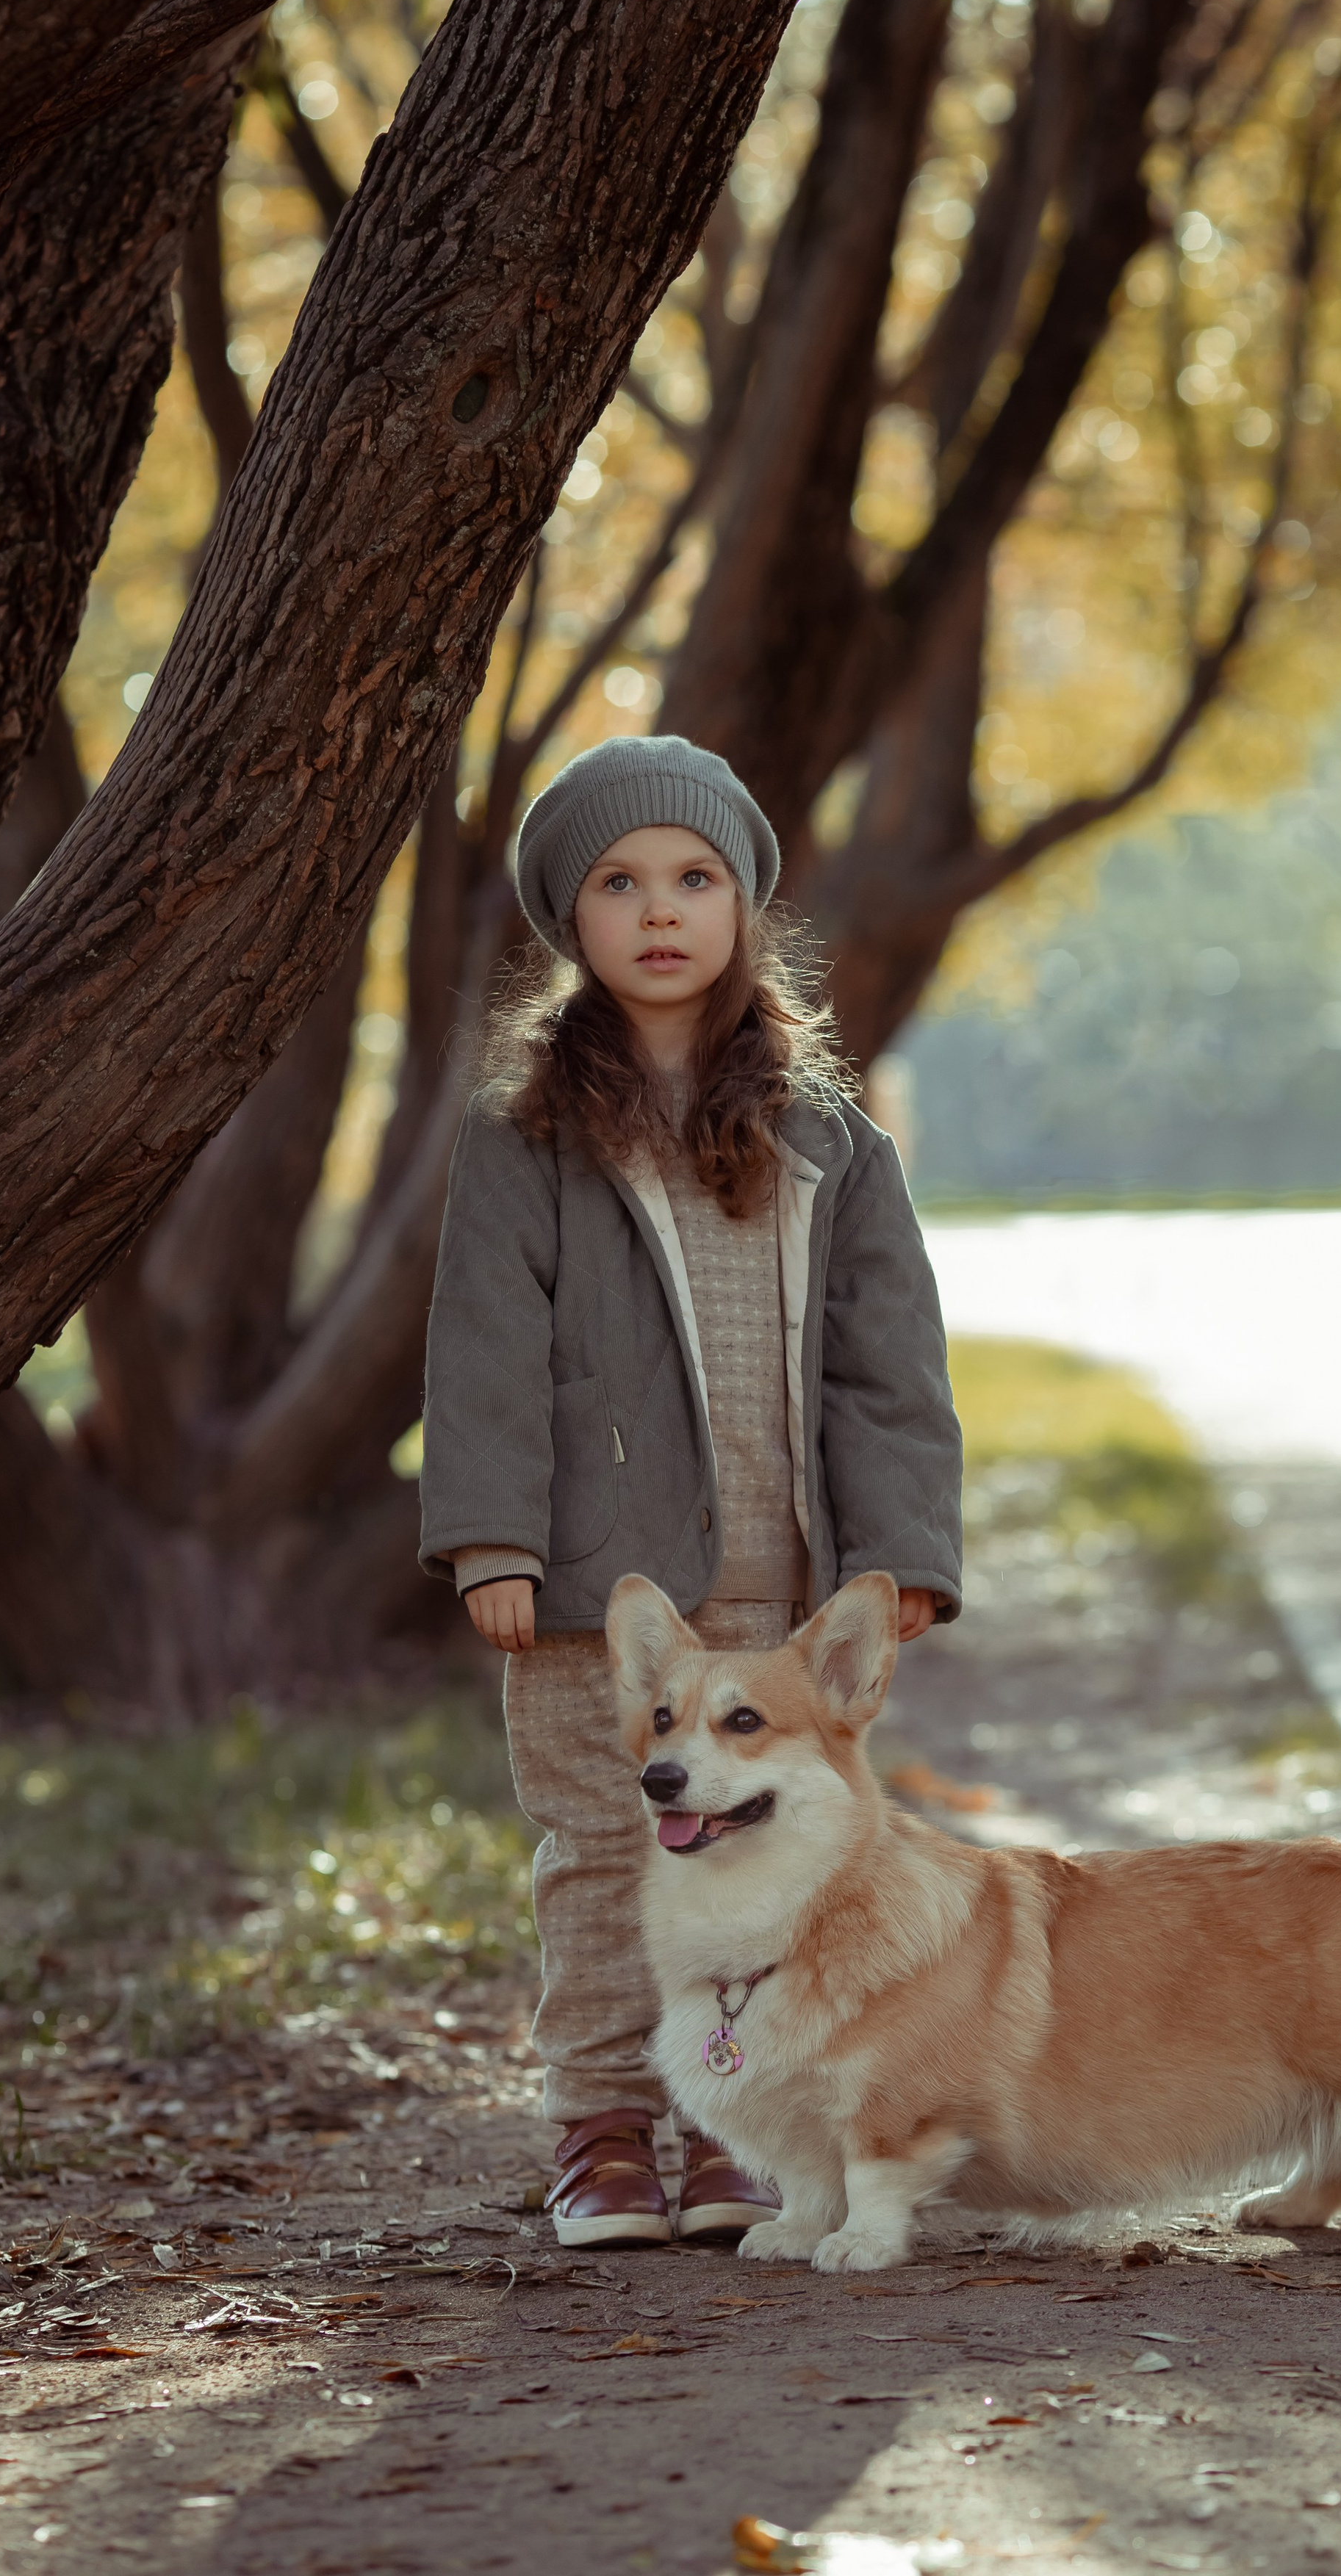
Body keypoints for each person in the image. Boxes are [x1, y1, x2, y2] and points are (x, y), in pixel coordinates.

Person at [418, 733, 963, 2248]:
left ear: (742, 904)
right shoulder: (525, 1137)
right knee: (603, 1846)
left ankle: (742, 2124)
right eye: (618, 882)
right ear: (568, 921)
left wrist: (899, 1547)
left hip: (784, 1593)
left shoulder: (830, 1142)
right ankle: (600, 2125)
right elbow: (480, 1353)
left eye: (693, 878)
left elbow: (887, 1369)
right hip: (600, 1587)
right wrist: (489, 1537)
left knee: (773, 1860)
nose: (659, 909)